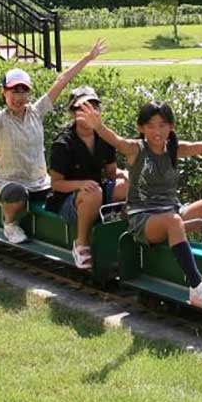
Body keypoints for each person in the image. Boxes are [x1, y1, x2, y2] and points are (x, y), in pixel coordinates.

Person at [75, 99, 202, 310]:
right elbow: (116, 140)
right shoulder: (136, 150)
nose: (157, 131)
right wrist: (98, 126)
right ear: (141, 128)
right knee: (174, 222)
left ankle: (198, 260)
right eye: (151, 126)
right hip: (143, 221)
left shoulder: (175, 149)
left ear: (171, 126)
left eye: (163, 125)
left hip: (172, 213)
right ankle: (197, 287)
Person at [0, 39, 105, 258]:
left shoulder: (36, 112)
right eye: (13, 91)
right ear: (4, 93)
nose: (18, 97)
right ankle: (10, 223)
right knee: (17, 193)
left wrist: (88, 58)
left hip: (39, 182)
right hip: (9, 183)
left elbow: (62, 80)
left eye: (23, 91)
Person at [45, 85, 130, 268]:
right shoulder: (63, 143)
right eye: (82, 107)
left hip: (97, 192)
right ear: (73, 113)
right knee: (93, 191)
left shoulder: (105, 137)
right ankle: (81, 243)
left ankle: (126, 233)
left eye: (93, 107)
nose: (88, 112)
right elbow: (56, 184)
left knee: (128, 185)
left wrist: (126, 175)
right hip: (69, 200)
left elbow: (111, 172)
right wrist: (81, 184)